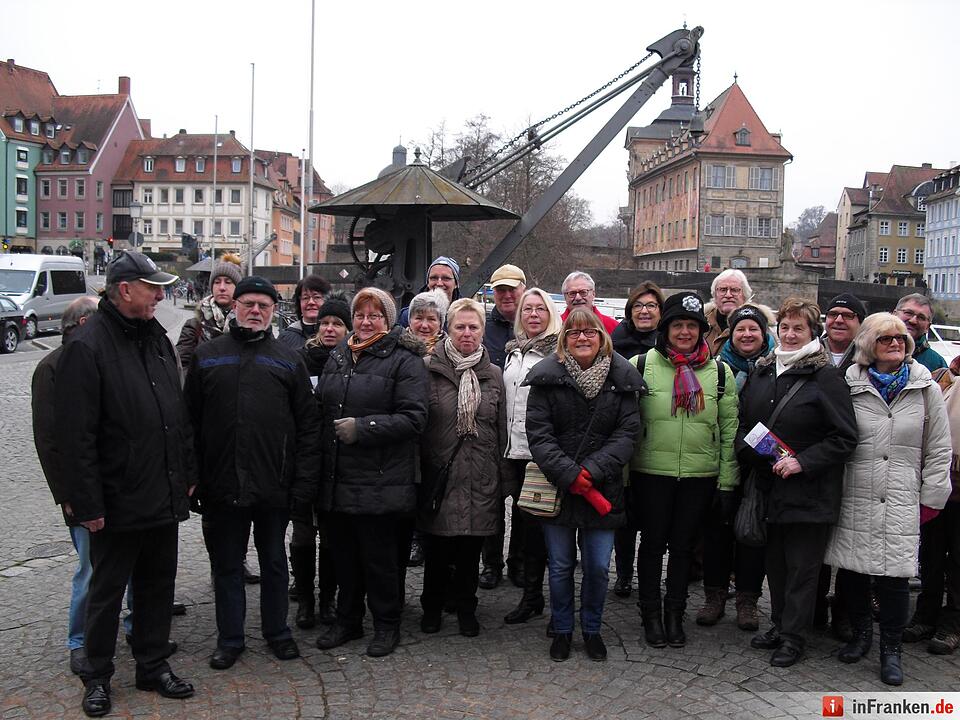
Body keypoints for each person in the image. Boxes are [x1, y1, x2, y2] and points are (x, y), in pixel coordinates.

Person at [54, 251, 196, 717]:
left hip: (161, 490)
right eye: (152, 287)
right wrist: (87, 504)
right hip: (115, 500)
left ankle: (152, 665)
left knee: (157, 586)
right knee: (106, 593)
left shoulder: (156, 338)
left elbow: (175, 413)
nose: (160, 295)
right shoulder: (87, 345)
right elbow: (75, 436)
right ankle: (96, 675)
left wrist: (186, 474)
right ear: (125, 290)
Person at [185, 276, 322, 671]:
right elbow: (188, 423)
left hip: (274, 483)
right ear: (235, 307)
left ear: (273, 311)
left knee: (274, 561)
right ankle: (230, 638)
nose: (256, 311)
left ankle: (277, 632)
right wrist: (192, 476)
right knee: (227, 565)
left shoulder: (288, 359)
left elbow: (308, 426)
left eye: (264, 305)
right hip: (221, 482)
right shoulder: (208, 356)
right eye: (249, 304)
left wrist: (303, 482)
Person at [824, 313, 952, 684]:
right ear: (868, 344)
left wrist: (932, 496)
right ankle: (862, 633)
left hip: (901, 493)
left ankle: (891, 649)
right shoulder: (849, 383)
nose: (895, 343)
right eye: (885, 338)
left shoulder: (924, 386)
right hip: (856, 489)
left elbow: (939, 447)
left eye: (900, 338)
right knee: (853, 571)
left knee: (895, 576)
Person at [738, 298, 858, 668]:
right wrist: (757, 453)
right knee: (775, 565)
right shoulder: (763, 371)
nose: (790, 335)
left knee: (802, 571)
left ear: (812, 333)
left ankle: (794, 637)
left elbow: (845, 437)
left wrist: (802, 462)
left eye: (798, 329)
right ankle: (779, 624)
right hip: (771, 487)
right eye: (785, 328)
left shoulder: (826, 377)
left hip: (810, 492)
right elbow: (747, 424)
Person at [315, 287, 429, 657]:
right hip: (338, 478)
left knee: (380, 561)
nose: (366, 322)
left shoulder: (404, 360)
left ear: (388, 320)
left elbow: (414, 418)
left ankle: (386, 624)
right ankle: (348, 620)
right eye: (360, 315)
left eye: (374, 315)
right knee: (344, 557)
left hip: (380, 479)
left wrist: (364, 428)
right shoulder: (339, 355)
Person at [524, 308, 642, 661]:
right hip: (559, 487)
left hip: (603, 487)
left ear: (602, 337)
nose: (582, 338)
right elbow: (539, 434)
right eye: (574, 332)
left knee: (597, 567)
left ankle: (591, 628)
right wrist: (569, 474)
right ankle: (562, 629)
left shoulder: (622, 379)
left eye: (590, 331)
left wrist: (590, 471)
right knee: (560, 565)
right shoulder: (547, 378)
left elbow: (628, 434)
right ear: (564, 339)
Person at [630, 291, 739, 649]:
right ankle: (650, 614)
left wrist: (727, 482)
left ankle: (674, 613)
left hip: (699, 475)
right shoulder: (641, 365)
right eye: (677, 325)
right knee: (651, 546)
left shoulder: (720, 373)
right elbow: (626, 425)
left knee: (682, 549)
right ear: (665, 329)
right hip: (652, 472)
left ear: (701, 331)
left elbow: (728, 431)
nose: (685, 332)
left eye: (692, 326)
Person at [418, 298, 508, 636]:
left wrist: (503, 480)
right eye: (460, 327)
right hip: (440, 476)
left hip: (480, 477)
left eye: (473, 327)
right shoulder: (428, 369)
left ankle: (467, 607)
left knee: (470, 551)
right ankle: (432, 607)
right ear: (448, 329)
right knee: (437, 550)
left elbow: (500, 429)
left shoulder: (494, 375)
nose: (467, 333)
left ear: (483, 331)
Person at [696, 304, 775, 631]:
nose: (747, 334)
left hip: (758, 463)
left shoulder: (775, 368)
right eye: (740, 329)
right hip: (719, 460)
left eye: (753, 329)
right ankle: (714, 596)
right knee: (716, 532)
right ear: (731, 334)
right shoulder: (716, 366)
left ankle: (747, 600)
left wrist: (761, 451)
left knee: (752, 534)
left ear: (764, 334)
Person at [32, 296, 99, 675]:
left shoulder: (98, 359)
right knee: (89, 569)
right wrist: (67, 495)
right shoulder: (51, 367)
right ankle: (79, 640)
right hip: (80, 492)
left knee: (123, 566)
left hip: (111, 486)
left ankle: (130, 625)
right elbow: (48, 440)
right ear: (85, 323)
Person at [291, 293, 352, 629]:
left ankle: (328, 598)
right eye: (325, 322)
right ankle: (304, 599)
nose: (329, 328)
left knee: (331, 537)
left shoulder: (352, 362)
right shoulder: (300, 361)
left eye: (337, 323)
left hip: (337, 462)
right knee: (302, 535)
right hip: (305, 459)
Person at [501, 288, 562, 625]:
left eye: (540, 309)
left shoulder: (557, 352)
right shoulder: (513, 351)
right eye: (528, 309)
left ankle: (538, 596)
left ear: (550, 314)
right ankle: (530, 591)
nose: (534, 314)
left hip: (540, 453)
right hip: (513, 451)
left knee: (540, 528)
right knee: (523, 525)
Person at [610, 281, 663, 597]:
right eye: (639, 306)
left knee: (653, 512)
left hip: (658, 437)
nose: (644, 311)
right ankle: (624, 573)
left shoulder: (668, 344)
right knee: (625, 514)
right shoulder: (615, 343)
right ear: (629, 311)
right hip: (624, 435)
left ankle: (649, 574)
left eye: (651, 305)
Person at [480, 264, 527, 590]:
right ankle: (491, 563)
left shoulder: (536, 323)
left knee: (525, 503)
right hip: (491, 428)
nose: (507, 295)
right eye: (501, 289)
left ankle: (519, 562)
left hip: (524, 429)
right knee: (492, 501)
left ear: (523, 288)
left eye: (512, 288)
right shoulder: (484, 328)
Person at [911, 355, 960, 655]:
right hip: (939, 484)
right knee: (930, 555)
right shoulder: (944, 376)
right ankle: (925, 616)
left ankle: (952, 623)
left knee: (959, 561)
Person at [401, 288, 449, 568]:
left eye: (431, 318)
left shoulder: (448, 352)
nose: (424, 324)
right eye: (419, 317)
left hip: (437, 430)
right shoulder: (398, 349)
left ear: (440, 323)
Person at [175, 254, 243, 370]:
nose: (222, 287)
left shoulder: (248, 324)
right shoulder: (194, 325)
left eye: (228, 282)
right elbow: (182, 367)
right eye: (217, 282)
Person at [398, 256, 461, 327]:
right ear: (428, 282)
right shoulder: (408, 315)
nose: (439, 283)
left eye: (446, 278)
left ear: (456, 284)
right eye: (434, 278)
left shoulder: (466, 315)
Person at [704, 269, 753, 356]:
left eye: (734, 290)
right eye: (723, 290)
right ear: (715, 295)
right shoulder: (701, 323)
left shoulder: (758, 326)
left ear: (745, 295)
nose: (728, 295)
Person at [894, 293, 947, 372]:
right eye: (908, 313)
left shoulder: (937, 364)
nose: (913, 321)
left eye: (921, 317)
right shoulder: (875, 349)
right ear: (894, 314)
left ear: (927, 327)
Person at [277, 274, 332, 349]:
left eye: (317, 297)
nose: (311, 302)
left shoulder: (336, 336)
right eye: (305, 298)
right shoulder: (285, 339)